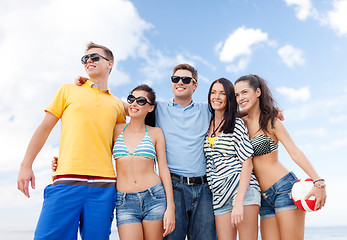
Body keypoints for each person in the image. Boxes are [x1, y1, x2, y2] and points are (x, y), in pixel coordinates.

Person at [17, 42, 126, 240]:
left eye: (94, 57)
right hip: (66, 181)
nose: (89, 61)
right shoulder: (68, 90)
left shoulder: (118, 105)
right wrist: (26, 165)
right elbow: (44, 128)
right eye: (85, 59)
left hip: (105, 187)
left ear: (110, 64)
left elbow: (119, 146)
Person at [234, 74, 327, 240]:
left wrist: (318, 181)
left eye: (244, 92)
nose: (240, 98)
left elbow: (294, 151)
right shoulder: (241, 124)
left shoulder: (271, 121)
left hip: (284, 189)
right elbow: (224, 114)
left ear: (258, 92)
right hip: (262, 197)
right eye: (237, 95)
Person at [156, 64, 216, 240]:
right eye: (175, 79)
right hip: (174, 188)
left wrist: (270, 112)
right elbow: (129, 107)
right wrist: (93, 87)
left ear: (195, 85)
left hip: (204, 189)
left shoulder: (207, 110)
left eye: (186, 79)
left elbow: (236, 113)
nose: (180, 82)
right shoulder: (158, 109)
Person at [112, 84, 175, 239]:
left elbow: (164, 169)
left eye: (140, 101)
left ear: (150, 108)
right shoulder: (116, 130)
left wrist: (171, 208)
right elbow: (96, 152)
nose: (134, 103)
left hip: (154, 197)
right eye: (131, 99)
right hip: (124, 201)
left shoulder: (155, 133)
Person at [204, 78, 260, 240]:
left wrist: (238, 202)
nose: (217, 97)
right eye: (213, 92)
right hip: (219, 195)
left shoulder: (236, 124)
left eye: (222, 93)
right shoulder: (207, 124)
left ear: (229, 98)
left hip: (243, 192)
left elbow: (247, 163)